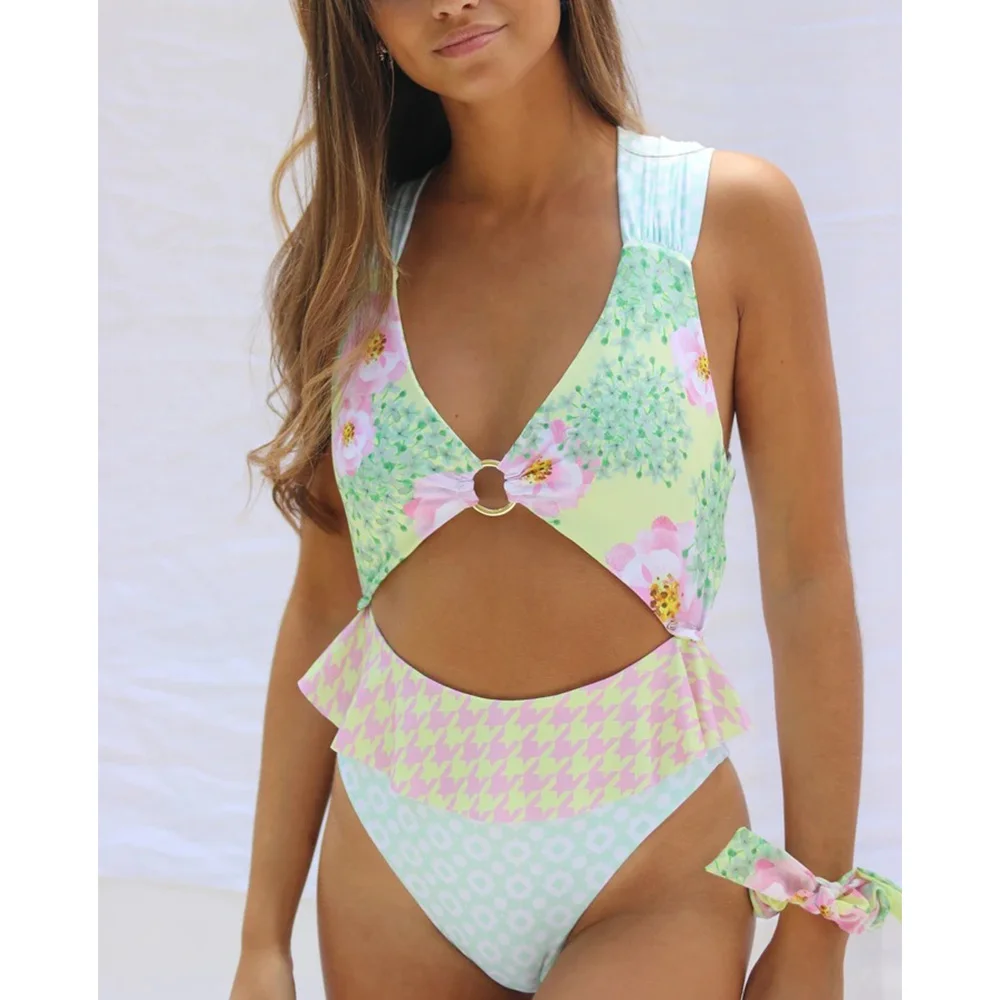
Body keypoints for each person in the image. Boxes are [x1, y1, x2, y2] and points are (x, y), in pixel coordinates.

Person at [232, 2, 900, 998]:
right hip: (394, 871)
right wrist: (262, 942)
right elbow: (326, 601)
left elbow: (808, 578)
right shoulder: (356, 256)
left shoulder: (725, 219)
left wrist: (817, 923)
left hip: (648, 860)